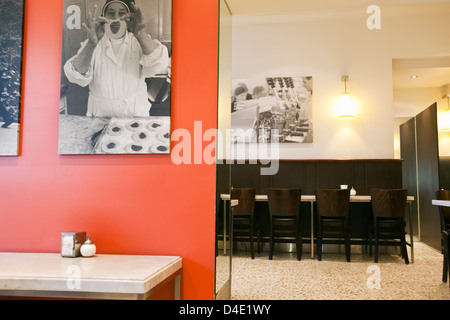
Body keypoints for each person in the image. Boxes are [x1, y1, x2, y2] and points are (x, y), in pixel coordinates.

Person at [64, 0, 169, 118]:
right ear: (104, 17)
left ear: (130, 18)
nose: (116, 18)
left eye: (122, 13)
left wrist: (141, 34)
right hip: (101, 116)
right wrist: (91, 44)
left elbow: (159, 65)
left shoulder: (139, 41)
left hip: (135, 115)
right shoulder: (94, 43)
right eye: (111, 13)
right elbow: (75, 76)